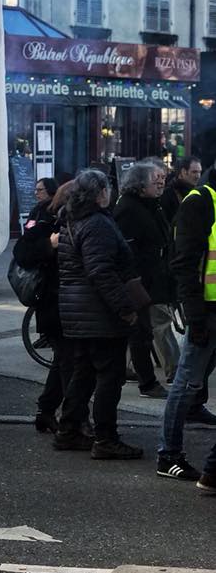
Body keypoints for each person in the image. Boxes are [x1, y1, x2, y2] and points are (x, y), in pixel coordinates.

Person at [55, 168, 143, 459]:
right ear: (101, 193)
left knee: (84, 372)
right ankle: (105, 438)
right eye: (108, 189)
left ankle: (69, 430)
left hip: (77, 310)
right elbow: (101, 272)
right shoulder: (96, 224)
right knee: (109, 375)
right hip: (98, 313)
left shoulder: (72, 218)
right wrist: (125, 308)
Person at [157, 156, 216, 484]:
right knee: (185, 384)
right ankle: (168, 455)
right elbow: (183, 264)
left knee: (189, 382)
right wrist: (195, 316)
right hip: (206, 313)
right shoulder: (201, 201)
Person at [13, 181, 78, 434]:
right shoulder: (45, 218)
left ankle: (46, 412)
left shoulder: (80, 220)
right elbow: (22, 252)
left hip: (68, 304)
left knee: (64, 360)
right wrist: (48, 246)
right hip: (53, 304)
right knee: (69, 362)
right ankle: (71, 421)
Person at [113, 162, 171, 398]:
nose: (159, 182)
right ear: (139, 184)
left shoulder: (150, 205)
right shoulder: (129, 209)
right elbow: (126, 251)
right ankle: (147, 383)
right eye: (154, 179)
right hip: (136, 283)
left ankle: (128, 374)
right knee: (140, 334)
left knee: (140, 333)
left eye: (161, 177)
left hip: (148, 281)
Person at [160, 156, 202, 225]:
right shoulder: (168, 194)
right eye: (194, 172)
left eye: (199, 172)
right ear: (183, 172)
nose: (198, 176)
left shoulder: (198, 192)